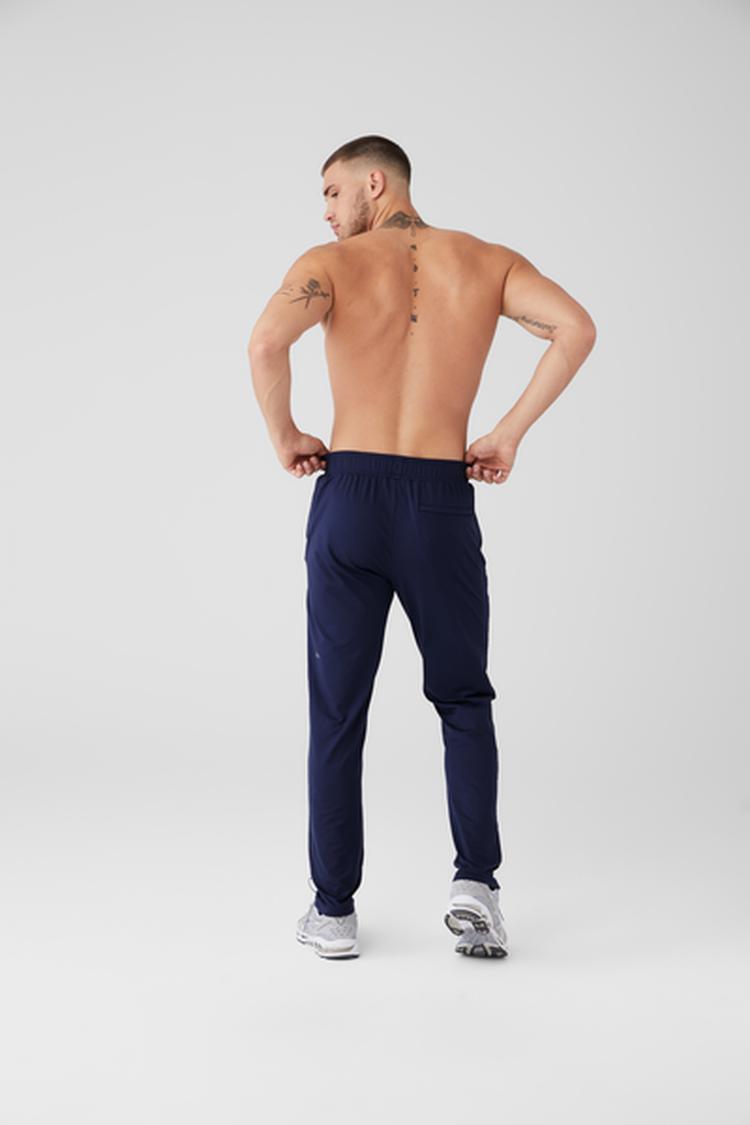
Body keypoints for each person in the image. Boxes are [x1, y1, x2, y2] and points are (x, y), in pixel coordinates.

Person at [247, 134, 597, 960]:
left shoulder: (331, 266)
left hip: (351, 498)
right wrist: (506, 433)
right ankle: (477, 886)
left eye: (332, 192)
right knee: (463, 697)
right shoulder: (487, 262)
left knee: (338, 710)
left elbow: (264, 342)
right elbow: (576, 328)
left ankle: (334, 911)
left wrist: (286, 435)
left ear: (375, 182)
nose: (326, 212)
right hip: (439, 502)